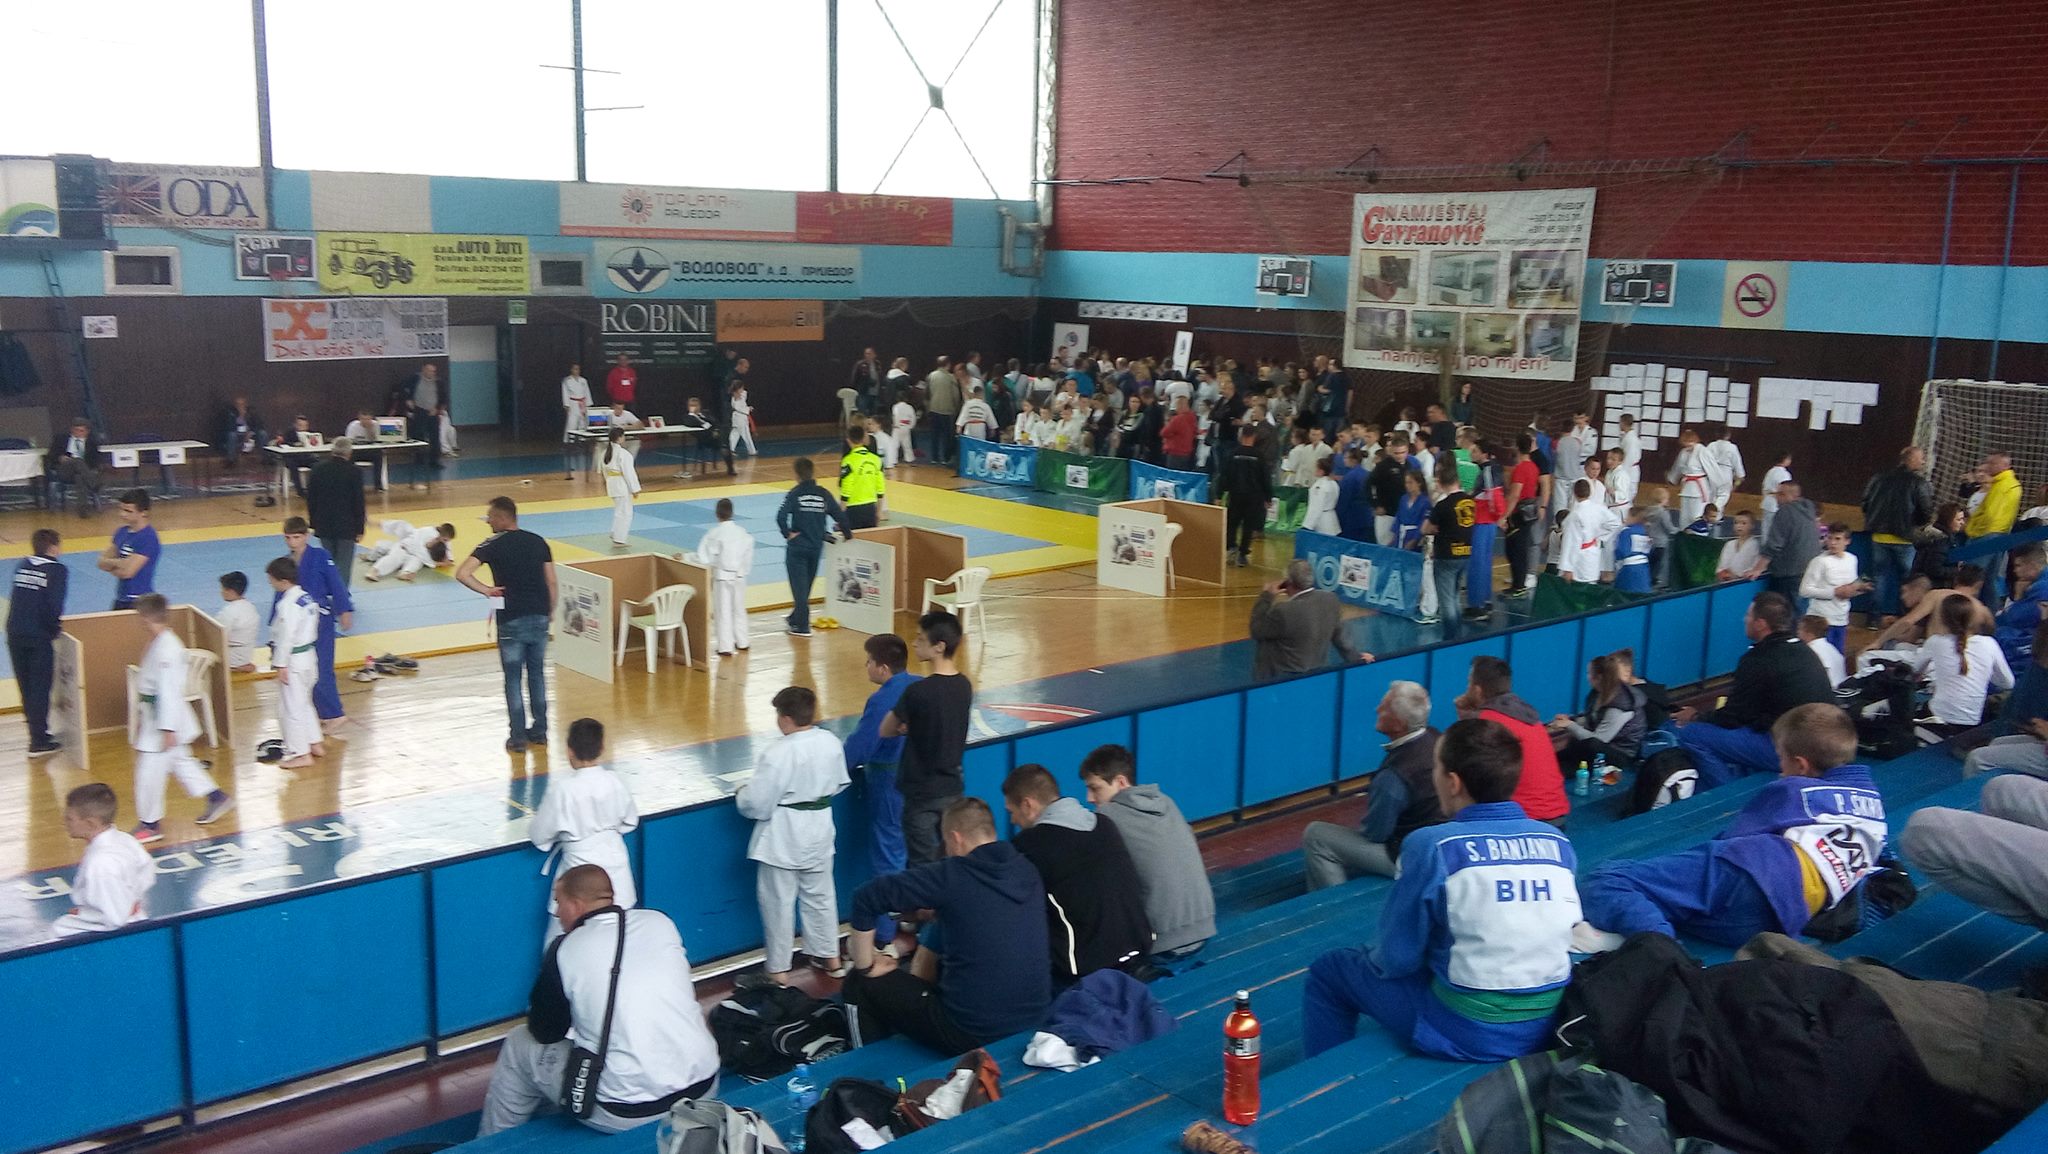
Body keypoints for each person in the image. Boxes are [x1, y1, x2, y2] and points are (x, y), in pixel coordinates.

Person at [1300, 718, 1580, 1061]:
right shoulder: (1557, 841)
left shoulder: (1432, 845)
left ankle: (1325, 1076)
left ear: (1452, 782)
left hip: (1470, 1031)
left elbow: (1397, 958)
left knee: (1330, 971)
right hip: (1545, 1021)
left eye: (1435, 768)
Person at [1577, 703, 1882, 950]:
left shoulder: (1796, 790)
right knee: (1681, 901)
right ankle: (1645, 933)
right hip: (1774, 920)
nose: (1780, 769)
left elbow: (1734, 840)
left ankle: (1661, 950)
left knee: (1606, 879)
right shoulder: (1873, 806)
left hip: (1760, 872)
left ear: (1801, 766)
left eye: (1782, 760)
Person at [477, 865, 720, 1136]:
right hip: (704, 1089)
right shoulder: (659, 922)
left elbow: (545, 1032)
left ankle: (491, 1143)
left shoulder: (565, 948)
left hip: (626, 1111)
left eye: (558, 902)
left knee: (519, 1043)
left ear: (575, 905)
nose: (557, 913)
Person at [841, 798, 1051, 1053]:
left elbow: (865, 899)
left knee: (858, 982)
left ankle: (865, 1065)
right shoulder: (1027, 870)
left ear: (955, 838)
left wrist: (867, 965)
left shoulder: (952, 875)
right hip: (1033, 1019)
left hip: (970, 1031)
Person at [738, 686, 850, 983]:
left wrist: (742, 794)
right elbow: (840, 783)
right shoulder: (830, 741)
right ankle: (831, 958)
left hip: (784, 835)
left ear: (785, 718)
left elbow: (757, 803)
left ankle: (778, 971)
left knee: (778, 903)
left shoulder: (778, 752)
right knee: (821, 896)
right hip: (820, 828)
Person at [1003, 764, 1153, 982]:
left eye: (1012, 812)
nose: (1012, 820)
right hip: (1139, 946)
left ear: (1027, 805)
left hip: (1088, 967)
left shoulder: (1029, 845)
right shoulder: (1104, 824)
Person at [1675, 592, 1836, 788]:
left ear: (1760, 624)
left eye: (1748, 615)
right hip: (1825, 746)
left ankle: (1726, 794)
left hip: (1793, 752)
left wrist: (1695, 716)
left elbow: (1732, 718)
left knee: (1691, 735)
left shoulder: (1758, 659)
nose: (1744, 620)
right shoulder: (1805, 651)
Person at [1077, 744, 1215, 963]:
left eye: (1095, 789)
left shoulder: (1107, 816)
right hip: (1205, 929)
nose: (1089, 798)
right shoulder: (1166, 801)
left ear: (1121, 782)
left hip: (1162, 945)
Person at [1301, 682, 1442, 889]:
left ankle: (1336, 903)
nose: (1377, 709)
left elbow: (1375, 833)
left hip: (1409, 858)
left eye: (1384, 708)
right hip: (1441, 847)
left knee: (1316, 836)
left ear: (1398, 724)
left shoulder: (1394, 776)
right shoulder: (1436, 738)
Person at [455, 497, 557, 753]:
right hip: (539, 616)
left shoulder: (491, 545)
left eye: (490, 517)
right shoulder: (538, 541)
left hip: (511, 619)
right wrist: (550, 611)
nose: (488, 521)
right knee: (537, 674)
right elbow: (552, 582)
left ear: (502, 518)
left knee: (513, 678)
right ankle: (540, 731)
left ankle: (518, 737)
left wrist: (487, 590)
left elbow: (463, 573)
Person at [129, 593, 233, 842]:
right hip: (157, 717)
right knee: (181, 763)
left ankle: (150, 825)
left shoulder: (168, 649)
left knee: (148, 774)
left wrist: (167, 728)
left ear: (146, 618)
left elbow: (169, 691)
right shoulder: (159, 641)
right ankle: (217, 797)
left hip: (164, 722)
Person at [531, 718, 640, 941]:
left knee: (560, 945)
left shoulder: (563, 790)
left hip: (577, 880)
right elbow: (630, 821)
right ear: (601, 748)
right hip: (618, 876)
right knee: (619, 942)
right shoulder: (614, 781)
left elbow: (539, 836)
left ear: (569, 750)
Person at [844, 634, 918, 952]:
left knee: (888, 853)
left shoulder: (883, 700)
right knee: (916, 850)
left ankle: (884, 934)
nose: (866, 666)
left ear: (883, 668)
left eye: (869, 661)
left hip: (889, 783)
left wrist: (837, 768)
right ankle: (912, 914)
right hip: (921, 780)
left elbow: (862, 746)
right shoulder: (921, 685)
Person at [881, 611, 973, 865]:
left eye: (920, 639)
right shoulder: (964, 685)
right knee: (953, 857)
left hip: (921, 792)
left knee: (921, 865)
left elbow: (886, 729)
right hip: (952, 787)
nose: (914, 644)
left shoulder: (917, 691)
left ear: (939, 647)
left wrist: (906, 727)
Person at [1454, 656, 1571, 827]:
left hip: (1526, 820)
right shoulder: (1528, 716)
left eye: (1468, 683)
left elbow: (1465, 769)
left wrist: (1465, 721)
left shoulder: (1487, 723)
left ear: (1477, 690)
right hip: (1556, 813)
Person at [281, 516, 354, 733]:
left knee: (322, 666)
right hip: (298, 623)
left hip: (320, 618)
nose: (292, 542)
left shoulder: (320, 556)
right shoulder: (286, 562)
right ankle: (322, 712)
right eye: (288, 538)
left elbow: (336, 583)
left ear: (307, 536)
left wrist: (344, 610)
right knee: (306, 668)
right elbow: (282, 593)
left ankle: (335, 714)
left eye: (296, 537)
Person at [53, 783, 155, 936]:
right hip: (134, 917)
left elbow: (115, 918)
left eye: (69, 819)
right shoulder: (125, 840)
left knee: (56, 933)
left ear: (90, 823)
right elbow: (147, 872)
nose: (64, 822)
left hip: (115, 935)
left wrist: (84, 914)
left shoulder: (101, 864)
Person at [1910, 594, 2015, 735]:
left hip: (1939, 715)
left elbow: (1913, 672)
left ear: (1942, 619)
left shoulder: (1935, 642)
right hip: (1973, 721)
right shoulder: (1990, 643)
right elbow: (2008, 683)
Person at [1250, 559, 1370, 679]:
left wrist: (1266, 597)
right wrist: (1356, 658)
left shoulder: (1283, 610)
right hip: (1315, 674)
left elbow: (1256, 630)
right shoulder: (1330, 599)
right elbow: (1341, 638)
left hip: (1282, 678)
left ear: (1288, 582)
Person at [775, 457, 849, 637]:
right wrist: (848, 534)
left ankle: (802, 626)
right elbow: (840, 516)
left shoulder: (795, 493)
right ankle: (795, 618)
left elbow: (780, 516)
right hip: (815, 548)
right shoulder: (823, 494)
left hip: (798, 548)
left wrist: (787, 533)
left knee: (799, 588)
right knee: (806, 586)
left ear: (797, 475)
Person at [9, 528, 66, 756]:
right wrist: (54, 630)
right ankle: (39, 740)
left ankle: (35, 732)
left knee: (26, 685)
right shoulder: (57, 570)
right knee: (40, 687)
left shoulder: (22, 565)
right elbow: (53, 605)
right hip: (38, 634)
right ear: (54, 547)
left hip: (15, 631)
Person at [1862, 446, 1934, 620]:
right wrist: (1917, 524)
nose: (1923, 461)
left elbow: (1865, 503)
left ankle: (1873, 620)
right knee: (1909, 583)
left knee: (1878, 578)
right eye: (1921, 458)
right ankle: (1905, 619)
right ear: (1911, 459)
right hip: (1906, 539)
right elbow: (1926, 511)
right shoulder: (1919, 482)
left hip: (1879, 537)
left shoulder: (1879, 478)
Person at [266, 556, 324, 769]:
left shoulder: (288, 604)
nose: (270, 583)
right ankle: (314, 742)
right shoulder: (306, 598)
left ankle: (300, 753)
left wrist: (280, 664)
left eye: (271, 579)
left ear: (282, 580)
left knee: (291, 707)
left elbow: (287, 636)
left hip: (294, 660)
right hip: (309, 656)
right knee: (304, 702)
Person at [1549, 653, 1648, 769]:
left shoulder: (1620, 705)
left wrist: (1570, 725)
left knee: (1588, 745)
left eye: (1589, 673)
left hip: (1622, 754)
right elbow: (1591, 719)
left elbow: (1599, 740)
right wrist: (1569, 721)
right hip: (1604, 745)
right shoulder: (1597, 693)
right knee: (1571, 745)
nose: (1587, 677)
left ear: (1599, 678)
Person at [694, 499, 754, 656]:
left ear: (717, 514)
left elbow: (704, 558)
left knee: (723, 611)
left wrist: (686, 557)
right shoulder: (743, 533)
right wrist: (743, 571)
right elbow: (748, 557)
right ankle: (743, 641)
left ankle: (725, 646)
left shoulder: (714, 534)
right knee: (739, 608)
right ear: (732, 513)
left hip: (721, 576)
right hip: (740, 576)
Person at [1799, 522, 1870, 652]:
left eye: (1837, 539)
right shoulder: (1819, 561)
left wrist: (1859, 589)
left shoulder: (1852, 559)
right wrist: (1834, 592)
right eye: (1830, 538)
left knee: (1837, 656)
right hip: (1821, 619)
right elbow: (1804, 590)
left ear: (1847, 541)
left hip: (1841, 619)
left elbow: (1850, 587)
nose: (1832, 543)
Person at [305, 439, 366, 585]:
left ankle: (329, 592)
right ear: (349, 453)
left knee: (329, 562)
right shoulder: (354, 471)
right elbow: (358, 502)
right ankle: (341, 595)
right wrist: (360, 528)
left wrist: (313, 523)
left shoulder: (317, 469)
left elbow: (311, 499)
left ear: (332, 451)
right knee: (344, 565)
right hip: (347, 525)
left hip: (323, 523)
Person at [1750, 479, 1820, 605]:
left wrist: (1757, 569)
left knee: (1783, 611)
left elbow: (1773, 545)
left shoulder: (1785, 511)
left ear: (1794, 496)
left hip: (1787, 574)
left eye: (1781, 494)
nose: (1777, 498)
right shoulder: (1810, 512)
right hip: (1809, 571)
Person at [1425, 459, 1474, 637]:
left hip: (1446, 554)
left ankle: (1451, 635)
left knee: (1446, 600)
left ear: (1440, 482)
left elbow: (1426, 528)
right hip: (1465, 552)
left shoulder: (1442, 505)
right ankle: (1457, 632)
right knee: (1454, 596)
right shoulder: (1470, 501)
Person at [1968, 450, 2022, 605]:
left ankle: (1964, 612)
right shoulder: (2005, 484)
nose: (1988, 466)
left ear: (2005, 465)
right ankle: (1990, 612)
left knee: (1972, 576)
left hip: (1988, 535)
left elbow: (1990, 514)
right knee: (1989, 580)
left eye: (1992, 463)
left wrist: (1974, 529)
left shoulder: (2003, 485)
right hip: (1999, 535)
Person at [1217, 425, 1272, 567]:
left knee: (1231, 523)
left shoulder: (1232, 454)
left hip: (1235, 494)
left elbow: (1224, 475)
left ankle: (1231, 547)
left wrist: (1219, 494)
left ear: (1241, 436)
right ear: (1254, 437)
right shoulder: (1259, 456)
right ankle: (1242, 554)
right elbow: (1265, 478)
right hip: (1254, 497)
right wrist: (1268, 497)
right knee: (1249, 525)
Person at [100, 489, 160, 611]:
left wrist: (113, 565)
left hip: (140, 600)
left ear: (143, 512)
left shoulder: (148, 537)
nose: (122, 514)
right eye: (121, 509)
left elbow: (127, 573)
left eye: (128, 511)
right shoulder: (121, 532)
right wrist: (121, 563)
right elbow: (101, 563)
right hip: (121, 598)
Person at [1995, 543, 2048, 666]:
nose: (2015, 570)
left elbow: (2015, 619)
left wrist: (2018, 598)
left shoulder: (2041, 588)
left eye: (2018, 565)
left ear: (2032, 565)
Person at [1503, 434, 1543, 594]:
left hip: (1518, 513)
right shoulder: (1533, 467)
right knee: (1519, 548)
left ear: (1517, 448)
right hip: (1529, 511)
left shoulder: (1521, 469)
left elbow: (1515, 494)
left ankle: (1518, 585)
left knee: (1515, 549)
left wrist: (1505, 515)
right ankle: (1518, 583)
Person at [362, 519, 456, 582]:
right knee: (393, 559)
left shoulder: (444, 541)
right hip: (404, 548)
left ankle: (405, 573)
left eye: (447, 540)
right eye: (445, 539)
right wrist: (436, 563)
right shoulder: (426, 532)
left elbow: (448, 556)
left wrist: (448, 560)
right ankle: (374, 571)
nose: (446, 542)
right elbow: (421, 552)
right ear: (440, 534)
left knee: (416, 563)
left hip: (415, 556)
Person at [46, 417, 102, 514]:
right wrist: (60, 458)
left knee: (79, 477)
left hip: (83, 472)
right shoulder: (60, 439)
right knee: (77, 461)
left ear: (87, 432)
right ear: (71, 429)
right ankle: (94, 484)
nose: (78, 433)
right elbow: (50, 456)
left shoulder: (92, 443)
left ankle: (83, 509)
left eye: (81, 431)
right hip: (64, 470)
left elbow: (95, 461)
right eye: (76, 430)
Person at [839, 424, 887, 531]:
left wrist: (841, 514)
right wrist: (879, 511)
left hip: (853, 509)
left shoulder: (848, 461)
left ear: (848, 440)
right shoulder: (876, 459)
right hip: (870, 508)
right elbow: (880, 488)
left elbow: (846, 490)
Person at [599, 428, 641, 549]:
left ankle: (615, 532)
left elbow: (603, 471)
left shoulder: (605, 453)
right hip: (621, 485)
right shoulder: (623, 454)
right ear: (620, 438)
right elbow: (629, 473)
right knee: (625, 513)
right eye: (623, 436)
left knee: (619, 510)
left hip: (612, 483)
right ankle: (619, 539)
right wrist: (634, 489)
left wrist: (608, 482)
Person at [406, 363, 443, 487]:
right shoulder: (415, 378)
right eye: (429, 370)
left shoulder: (438, 382)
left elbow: (443, 397)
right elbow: (404, 388)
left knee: (435, 437)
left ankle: (434, 460)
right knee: (418, 435)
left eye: (433, 371)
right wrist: (408, 399)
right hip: (419, 410)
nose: (431, 373)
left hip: (432, 411)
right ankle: (418, 458)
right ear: (423, 370)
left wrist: (438, 409)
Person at [217, 571, 259, 673]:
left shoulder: (229, 612)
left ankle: (235, 668)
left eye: (223, 589)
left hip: (231, 658)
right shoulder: (251, 607)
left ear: (231, 591)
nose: (221, 592)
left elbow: (217, 636)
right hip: (246, 655)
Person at [924, 356, 961, 465]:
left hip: (933, 409)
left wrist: (928, 407)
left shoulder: (931, 376)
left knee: (934, 435)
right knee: (947, 436)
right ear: (948, 364)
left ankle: (934, 457)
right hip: (947, 411)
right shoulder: (951, 378)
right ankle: (946, 458)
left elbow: (926, 394)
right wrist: (956, 408)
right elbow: (955, 395)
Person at [560, 362, 592, 480]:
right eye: (574, 369)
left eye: (578, 369)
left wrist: (588, 405)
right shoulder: (567, 381)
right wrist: (566, 405)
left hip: (582, 403)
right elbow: (565, 393)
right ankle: (568, 443)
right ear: (571, 370)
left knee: (583, 424)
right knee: (571, 424)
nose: (576, 371)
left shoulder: (583, 381)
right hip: (573, 403)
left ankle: (583, 442)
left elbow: (587, 393)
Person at [1798, 614, 1848, 688]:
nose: (1797, 633)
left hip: (1828, 691)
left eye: (1799, 630)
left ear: (1809, 634)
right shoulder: (1831, 648)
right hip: (1839, 688)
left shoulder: (1811, 651)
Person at [1704, 426, 1745, 514]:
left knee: (1710, 497)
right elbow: (1737, 463)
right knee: (1723, 497)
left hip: (1711, 472)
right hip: (1726, 473)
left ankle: (1710, 515)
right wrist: (1740, 476)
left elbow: (1704, 460)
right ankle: (1714, 514)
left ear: (1716, 434)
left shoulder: (1711, 446)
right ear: (1728, 435)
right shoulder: (1732, 447)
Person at [1613, 504, 1653, 594]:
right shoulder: (1646, 531)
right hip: (1644, 567)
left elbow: (1622, 550)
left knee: (1625, 592)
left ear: (1633, 517)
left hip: (1629, 567)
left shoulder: (1626, 531)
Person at [219, 398, 266, 472]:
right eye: (238, 404)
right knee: (232, 435)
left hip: (250, 435)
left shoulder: (252, 413)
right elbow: (229, 427)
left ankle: (265, 458)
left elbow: (259, 425)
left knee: (262, 434)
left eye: (242, 404)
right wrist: (239, 416)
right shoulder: (231, 414)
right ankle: (231, 460)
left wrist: (251, 432)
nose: (240, 406)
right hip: (237, 434)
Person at [1715, 510, 1762, 581]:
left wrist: (1738, 576)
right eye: (1736, 523)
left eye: (1744, 523)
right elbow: (1721, 566)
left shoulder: (1755, 545)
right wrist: (1724, 573)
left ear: (1752, 525)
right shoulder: (1729, 544)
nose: (1739, 526)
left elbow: (1755, 567)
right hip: (1726, 581)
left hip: (1745, 582)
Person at [1302, 455, 1342, 535]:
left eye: (1316, 468)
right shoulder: (1333, 483)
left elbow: (1316, 507)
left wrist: (1307, 525)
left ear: (1321, 471)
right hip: (1332, 518)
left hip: (1322, 522)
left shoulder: (1319, 486)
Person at [1160, 396, 1199, 470]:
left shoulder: (1178, 419)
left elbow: (1164, 432)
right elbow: (1195, 432)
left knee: (1172, 474)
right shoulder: (1193, 417)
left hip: (1175, 452)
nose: (1176, 408)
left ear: (1181, 405)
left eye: (1176, 405)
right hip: (1187, 453)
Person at [728, 381, 757, 457]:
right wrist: (748, 409)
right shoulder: (735, 400)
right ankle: (752, 451)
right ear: (738, 389)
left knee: (735, 434)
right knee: (746, 435)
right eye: (741, 388)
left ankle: (730, 449)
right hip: (740, 419)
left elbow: (744, 393)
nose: (743, 390)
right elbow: (739, 408)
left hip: (739, 418)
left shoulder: (742, 395)